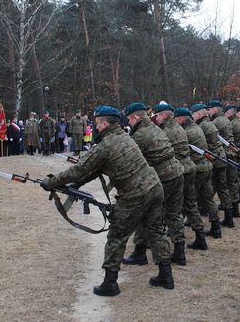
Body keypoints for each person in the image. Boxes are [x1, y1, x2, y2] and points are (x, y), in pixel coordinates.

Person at [40, 105, 174, 297]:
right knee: (155, 232)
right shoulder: (124, 137)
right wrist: (76, 185)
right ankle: (166, 275)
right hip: (154, 188)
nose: (95, 127)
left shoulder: (105, 145)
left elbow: (79, 169)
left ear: (103, 123)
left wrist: (50, 182)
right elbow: (94, 170)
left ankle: (110, 283)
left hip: (135, 195)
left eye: (96, 123)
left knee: (116, 237)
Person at [121, 102, 185, 267]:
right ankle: (179, 251)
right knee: (175, 213)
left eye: (129, 119)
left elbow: (129, 161)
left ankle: (140, 252)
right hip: (177, 173)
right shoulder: (156, 129)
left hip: (163, 177)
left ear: (136, 117)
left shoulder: (140, 135)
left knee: (146, 214)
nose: (128, 122)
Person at [153, 103, 208, 256]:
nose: (155, 119)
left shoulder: (166, 131)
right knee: (190, 204)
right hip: (189, 167)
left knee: (169, 208)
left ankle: (163, 240)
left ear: (163, 115)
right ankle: (200, 236)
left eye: (157, 115)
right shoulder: (180, 128)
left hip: (178, 170)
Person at [177, 106, 221, 239]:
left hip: (197, 168)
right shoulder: (197, 128)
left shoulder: (187, 132)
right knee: (208, 199)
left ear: (183, 118)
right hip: (206, 166)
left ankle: (182, 228)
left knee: (189, 200)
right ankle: (216, 227)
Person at [191, 103, 231, 235]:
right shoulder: (210, 123)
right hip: (219, 157)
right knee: (220, 188)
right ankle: (227, 218)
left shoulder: (201, 126)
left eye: (193, 114)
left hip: (211, 159)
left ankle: (197, 220)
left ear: (198, 114)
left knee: (200, 193)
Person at [206, 100, 237, 227]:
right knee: (223, 187)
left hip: (218, 156)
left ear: (215, 109)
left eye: (210, 109)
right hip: (225, 155)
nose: (209, 111)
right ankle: (230, 216)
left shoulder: (215, 122)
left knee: (215, 186)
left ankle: (209, 212)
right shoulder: (225, 120)